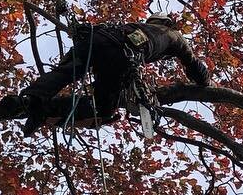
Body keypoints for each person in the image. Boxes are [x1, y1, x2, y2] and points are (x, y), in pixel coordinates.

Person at [20, 14, 210, 134]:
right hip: (119, 54)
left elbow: (99, 32)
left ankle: (32, 98)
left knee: (65, 72)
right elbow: (193, 64)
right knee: (103, 109)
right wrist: (205, 82)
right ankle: (47, 113)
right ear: (168, 23)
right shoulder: (173, 35)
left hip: (97, 39)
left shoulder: (131, 26)